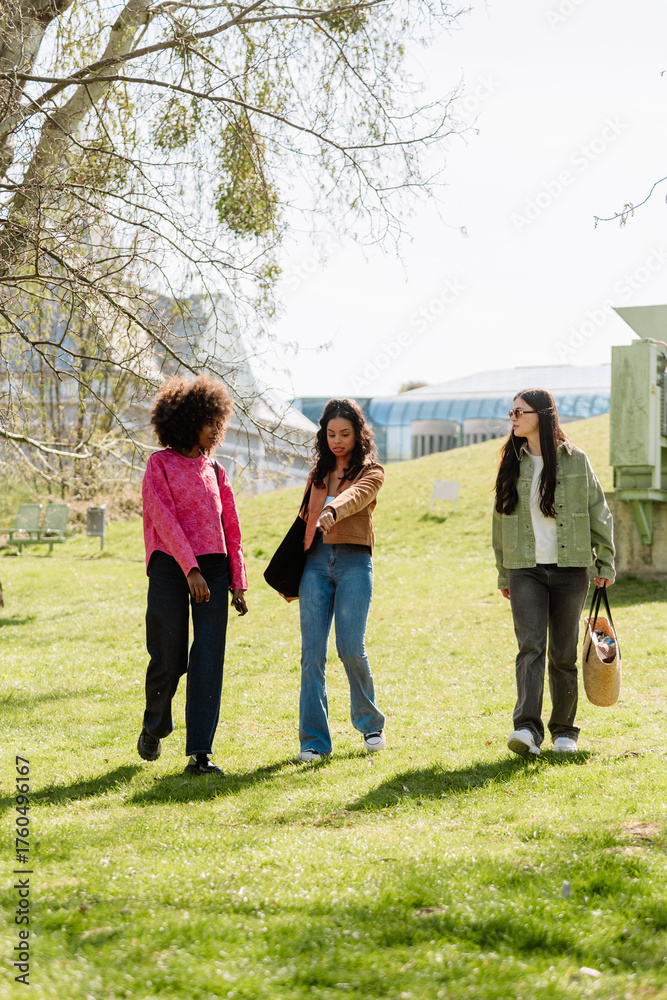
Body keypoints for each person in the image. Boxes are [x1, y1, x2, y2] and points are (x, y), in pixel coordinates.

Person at [492, 387, 615, 757]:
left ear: (542, 415)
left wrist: (605, 560)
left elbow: (598, 509)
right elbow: (499, 521)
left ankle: (565, 731)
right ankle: (527, 729)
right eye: (511, 412)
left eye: (519, 412)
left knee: (563, 652)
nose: (513, 418)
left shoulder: (576, 460)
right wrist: (503, 573)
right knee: (530, 648)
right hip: (524, 569)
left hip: (571, 568)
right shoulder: (512, 462)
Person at [137, 375, 248, 775]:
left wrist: (238, 580)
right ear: (189, 418)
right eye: (210, 422)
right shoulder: (159, 464)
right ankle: (155, 725)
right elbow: (163, 520)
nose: (216, 430)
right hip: (171, 565)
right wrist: (190, 569)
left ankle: (201, 754)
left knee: (208, 658)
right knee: (170, 655)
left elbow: (230, 526)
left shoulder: (216, 470)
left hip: (215, 568)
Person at [296, 398, 386, 762]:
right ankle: (314, 742)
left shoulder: (372, 470)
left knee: (350, 648)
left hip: (353, 562)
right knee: (311, 656)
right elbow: (302, 520)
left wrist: (333, 508)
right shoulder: (317, 474)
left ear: (358, 434)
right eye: (331, 433)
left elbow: (357, 496)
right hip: (314, 565)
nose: (337, 440)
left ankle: (370, 723)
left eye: (344, 433)